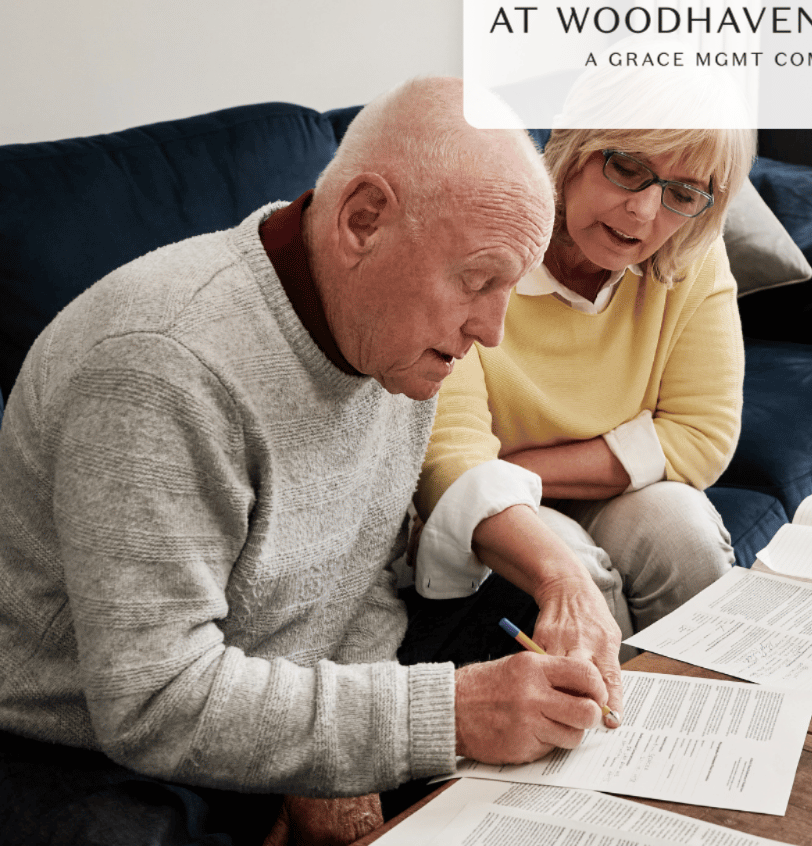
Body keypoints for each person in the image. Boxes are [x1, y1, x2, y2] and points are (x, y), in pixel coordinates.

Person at [0, 76, 624, 846]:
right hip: (92, 737)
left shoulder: (391, 334)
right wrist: (445, 716)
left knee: (535, 637)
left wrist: (347, 767)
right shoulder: (160, 367)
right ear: (363, 220)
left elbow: (358, 576)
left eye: (508, 289)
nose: (491, 333)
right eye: (477, 280)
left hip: (275, 668)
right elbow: (152, 699)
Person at [414, 68, 755, 640]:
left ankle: (719, 720)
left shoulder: (691, 253)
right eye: (627, 169)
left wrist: (517, 472)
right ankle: (617, 727)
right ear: (574, 148)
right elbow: (453, 462)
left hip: (569, 488)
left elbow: (702, 437)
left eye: (682, 193)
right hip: (493, 512)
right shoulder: (480, 243)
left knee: (685, 532)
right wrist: (510, 483)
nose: (645, 213)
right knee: (573, 570)